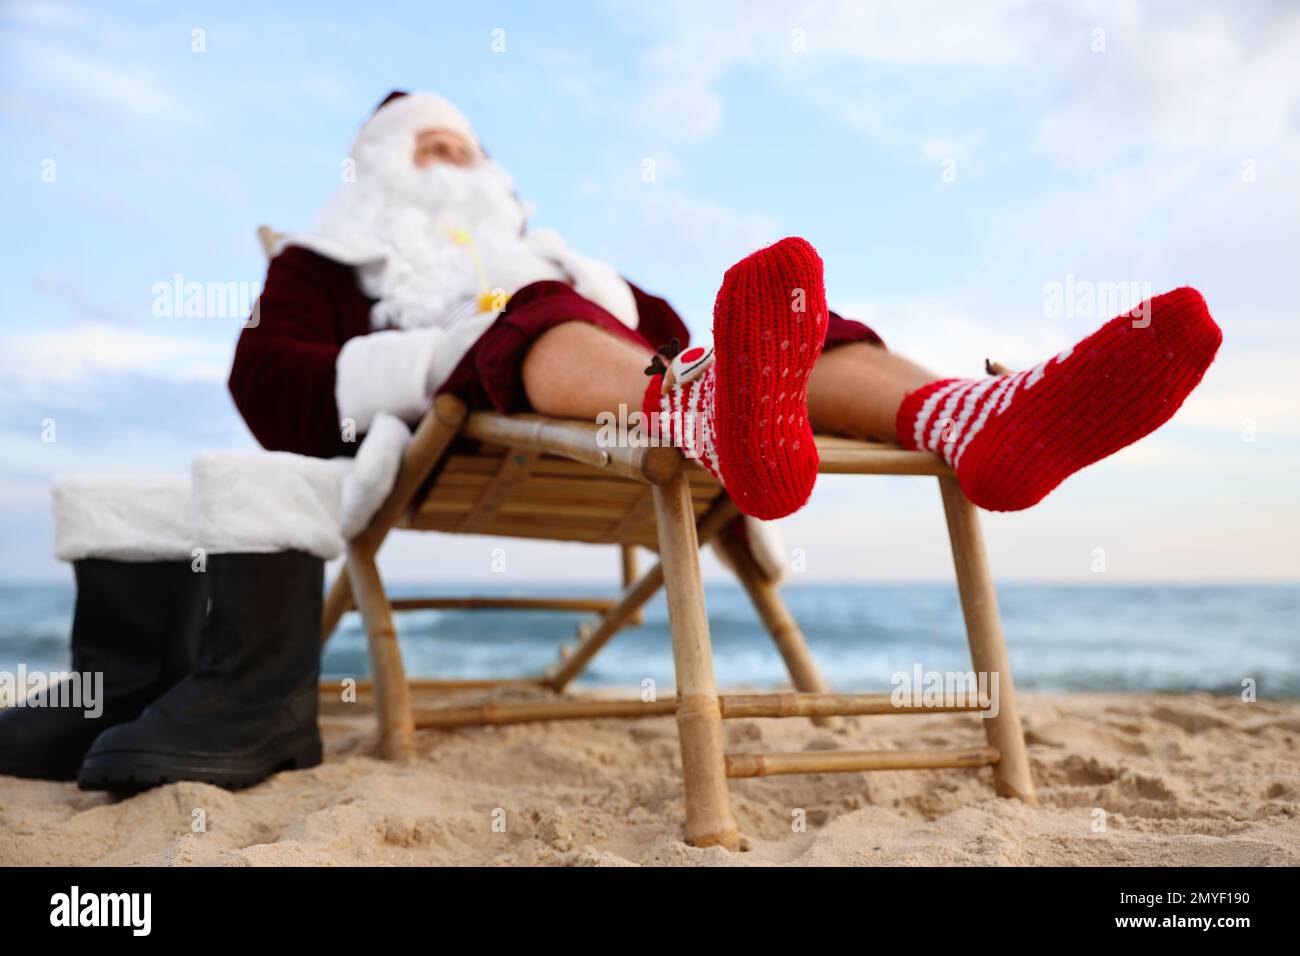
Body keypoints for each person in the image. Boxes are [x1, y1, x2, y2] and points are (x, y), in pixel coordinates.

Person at [0, 90, 1221, 790]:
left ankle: (975, 416)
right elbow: (263, 387)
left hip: (620, 374)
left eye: (462, 144)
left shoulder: (573, 264)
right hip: (461, 417)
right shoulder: (329, 262)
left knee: (808, 324)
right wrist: (427, 354)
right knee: (540, 320)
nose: (450, 158)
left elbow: (738, 338)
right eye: (424, 144)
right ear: (370, 166)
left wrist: (747, 363)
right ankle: (699, 407)